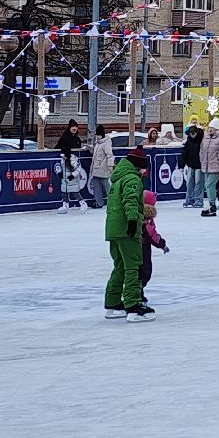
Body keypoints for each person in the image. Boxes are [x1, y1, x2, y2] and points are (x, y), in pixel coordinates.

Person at [104, 147, 152, 321]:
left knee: (120, 266)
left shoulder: (117, 178)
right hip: (126, 229)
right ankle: (133, 305)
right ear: (138, 164)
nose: (145, 171)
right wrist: (133, 221)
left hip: (113, 228)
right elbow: (130, 201)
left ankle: (113, 303)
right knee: (133, 266)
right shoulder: (132, 179)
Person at [139, 190, 169, 301]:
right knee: (144, 272)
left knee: (138, 271)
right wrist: (162, 244)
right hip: (143, 248)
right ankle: (138, 294)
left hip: (135, 246)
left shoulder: (138, 214)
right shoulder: (146, 219)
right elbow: (152, 235)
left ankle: (137, 293)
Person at [54, 120, 85, 213]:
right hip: (65, 171)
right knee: (64, 189)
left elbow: (77, 167)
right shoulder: (64, 138)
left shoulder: (77, 139)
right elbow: (57, 149)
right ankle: (65, 204)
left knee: (74, 189)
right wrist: (59, 172)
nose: (74, 128)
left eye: (76, 127)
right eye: (73, 127)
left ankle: (82, 203)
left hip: (72, 169)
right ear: (69, 127)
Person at [200, 118, 219, 217]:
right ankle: (211, 205)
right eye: (209, 128)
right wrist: (201, 157)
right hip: (206, 164)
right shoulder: (205, 137)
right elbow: (202, 148)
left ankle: (212, 205)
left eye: (212, 128)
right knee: (207, 185)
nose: (210, 129)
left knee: (209, 184)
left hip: (216, 164)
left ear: (216, 128)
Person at [180, 121, 205, 209]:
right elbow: (185, 153)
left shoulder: (202, 141)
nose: (192, 135)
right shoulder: (189, 141)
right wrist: (182, 164)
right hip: (191, 164)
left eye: (193, 133)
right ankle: (189, 198)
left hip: (199, 165)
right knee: (189, 182)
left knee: (199, 182)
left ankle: (198, 199)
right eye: (190, 133)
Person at [88, 125, 114, 210]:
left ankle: (113, 202)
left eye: (98, 134)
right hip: (96, 169)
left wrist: (110, 166)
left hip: (103, 168)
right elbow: (96, 154)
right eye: (97, 134)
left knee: (106, 186)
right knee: (96, 187)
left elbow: (109, 155)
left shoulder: (106, 143)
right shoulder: (97, 143)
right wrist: (90, 148)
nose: (97, 136)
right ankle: (99, 202)